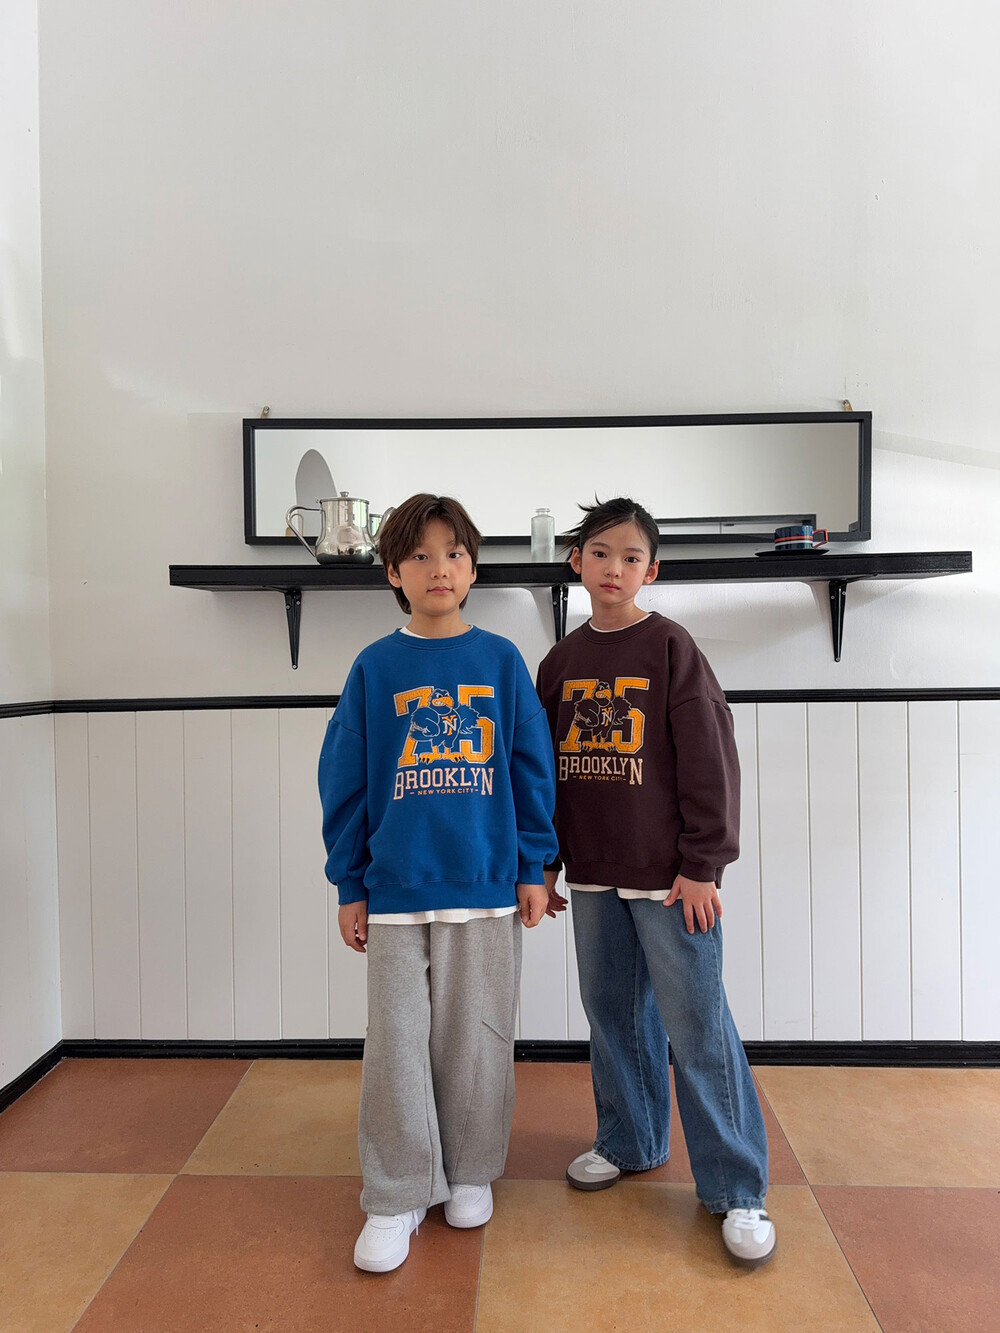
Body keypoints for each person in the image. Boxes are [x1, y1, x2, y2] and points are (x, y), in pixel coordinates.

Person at [319, 492, 558, 1274]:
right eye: (419, 555)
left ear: (473, 566)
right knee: (395, 1044)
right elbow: (345, 781)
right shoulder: (374, 666)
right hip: (395, 891)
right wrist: (350, 883)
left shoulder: (501, 662)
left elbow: (531, 770)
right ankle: (396, 1193)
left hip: (486, 886)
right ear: (393, 571)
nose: (439, 568)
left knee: (478, 1037)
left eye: (453, 552)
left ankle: (469, 1170)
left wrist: (533, 865)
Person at [535, 496, 775, 1268]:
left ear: (652, 570)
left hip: (672, 882)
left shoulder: (671, 647)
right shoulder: (559, 663)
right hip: (593, 875)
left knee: (697, 1025)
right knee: (612, 1015)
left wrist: (703, 863)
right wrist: (545, 862)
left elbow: (710, 758)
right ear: (577, 561)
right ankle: (629, 1139)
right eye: (600, 553)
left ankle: (737, 1185)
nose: (614, 568)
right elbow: (542, 775)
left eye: (631, 557)